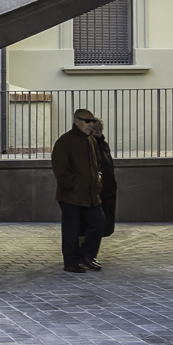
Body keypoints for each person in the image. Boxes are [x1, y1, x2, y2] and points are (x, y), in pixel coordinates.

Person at [51, 108, 106, 272]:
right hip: (71, 195)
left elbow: (96, 165)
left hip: (90, 194)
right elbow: (60, 168)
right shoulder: (65, 141)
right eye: (87, 121)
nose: (91, 124)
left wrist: (97, 181)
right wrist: (72, 185)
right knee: (71, 230)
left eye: (92, 121)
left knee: (99, 222)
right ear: (77, 121)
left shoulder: (90, 141)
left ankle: (87, 255)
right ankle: (71, 262)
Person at [89, 118, 118, 239]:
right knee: (96, 223)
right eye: (95, 128)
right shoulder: (88, 145)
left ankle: (90, 253)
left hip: (107, 188)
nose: (98, 131)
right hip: (96, 189)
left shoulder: (104, 145)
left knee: (105, 222)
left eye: (100, 129)